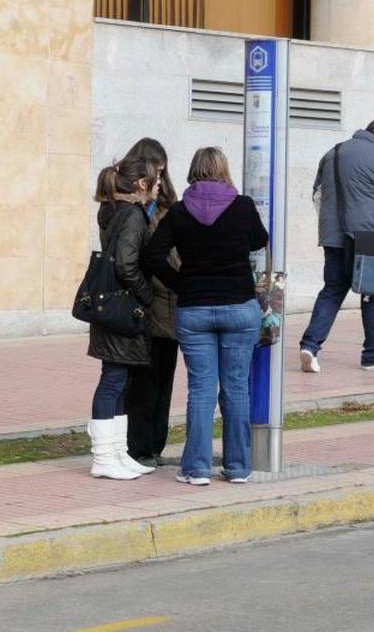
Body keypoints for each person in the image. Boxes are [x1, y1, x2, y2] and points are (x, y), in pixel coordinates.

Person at [144, 147, 268, 485]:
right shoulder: (242, 206)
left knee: (200, 389)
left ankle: (197, 468)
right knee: (236, 389)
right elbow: (261, 239)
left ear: (193, 172)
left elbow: (154, 253)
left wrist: (179, 282)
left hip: (194, 308)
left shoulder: (180, 211)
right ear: (224, 170)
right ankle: (239, 467)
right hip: (240, 307)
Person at [299, 119, 374, 373]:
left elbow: (317, 194)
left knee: (333, 289)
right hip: (366, 236)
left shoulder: (332, 152)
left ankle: (310, 346)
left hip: (332, 235)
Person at [87, 156, 160, 480]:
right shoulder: (131, 215)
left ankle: (117, 451)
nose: (160, 186)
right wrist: (146, 296)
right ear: (141, 184)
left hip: (112, 308)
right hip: (122, 308)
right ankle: (104, 456)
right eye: (156, 180)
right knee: (113, 380)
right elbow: (126, 265)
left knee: (120, 379)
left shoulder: (113, 211)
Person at [122, 138, 180, 468]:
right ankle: (139, 446)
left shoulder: (168, 208)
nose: (159, 180)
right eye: (153, 173)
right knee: (141, 383)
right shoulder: (127, 209)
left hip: (167, 304)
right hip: (142, 304)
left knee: (162, 379)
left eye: (162, 173)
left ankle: (154, 445)